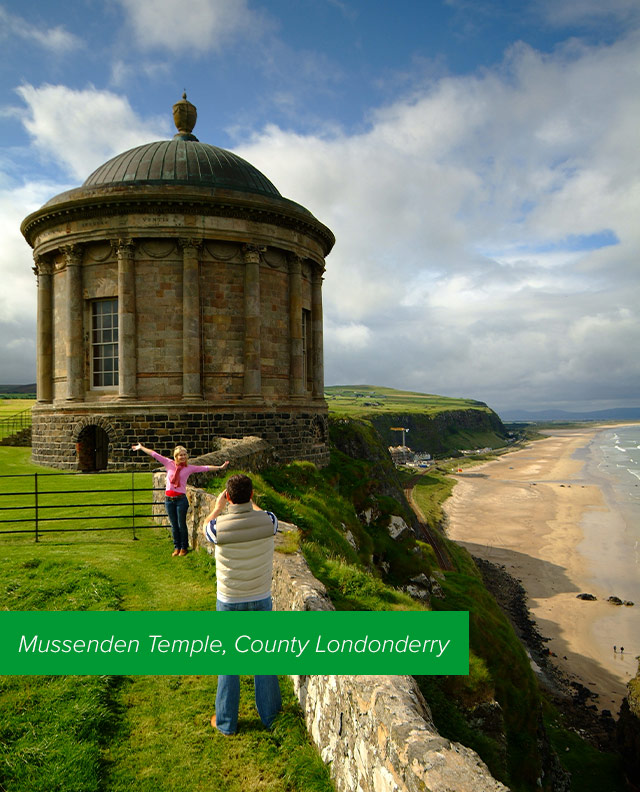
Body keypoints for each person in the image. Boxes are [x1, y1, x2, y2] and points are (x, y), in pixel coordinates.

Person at [203, 473, 281, 735]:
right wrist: (252, 504)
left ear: (228, 496)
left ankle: (226, 722)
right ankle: (271, 717)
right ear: (251, 495)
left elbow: (207, 526)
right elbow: (265, 514)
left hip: (230, 600)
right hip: (260, 597)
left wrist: (217, 507)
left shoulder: (218, 528)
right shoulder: (268, 522)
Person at [132, 442, 229, 556]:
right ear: (176, 456)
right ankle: (176, 547)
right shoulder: (169, 464)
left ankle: (183, 547)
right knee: (174, 525)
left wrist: (220, 467)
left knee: (181, 524)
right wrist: (141, 447)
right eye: (180, 455)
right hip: (169, 500)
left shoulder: (189, 468)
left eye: (184, 455)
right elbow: (154, 454)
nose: (182, 457)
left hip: (180, 500)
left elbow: (205, 468)